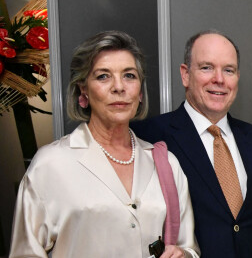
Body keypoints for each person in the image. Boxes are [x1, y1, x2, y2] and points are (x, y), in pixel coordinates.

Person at [9, 31, 200, 258]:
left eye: (129, 75)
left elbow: (189, 247)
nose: (119, 87)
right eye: (103, 76)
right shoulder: (50, 165)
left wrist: (184, 255)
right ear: (83, 90)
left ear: (140, 92)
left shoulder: (165, 162)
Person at [131, 30, 252, 258]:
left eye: (229, 70)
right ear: (185, 74)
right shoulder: (148, 138)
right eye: (207, 67)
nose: (219, 79)